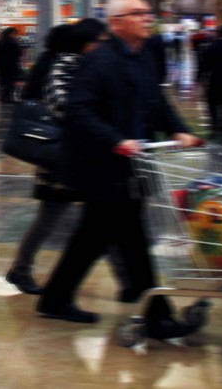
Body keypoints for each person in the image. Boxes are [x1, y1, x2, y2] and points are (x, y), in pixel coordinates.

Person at [36, 0, 200, 341]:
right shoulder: (100, 60)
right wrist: (116, 140)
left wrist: (178, 129)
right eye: (137, 13)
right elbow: (79, 110)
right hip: (102, 166)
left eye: (146, 11)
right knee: (128, 237)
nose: (146, 17)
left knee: (98, 237)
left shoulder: (143, 56)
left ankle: (56, 298)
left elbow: (155, 101)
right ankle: (157, 316)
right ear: (117, 23)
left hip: (129, 165)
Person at [7, 19, 130, 295]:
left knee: (102, 220)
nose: (104, 46)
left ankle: (128, 282)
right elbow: (63, 105)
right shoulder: (65, 64)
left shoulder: (92, 64)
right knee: (51, 220)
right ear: (85, 43)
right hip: (64, 159)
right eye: (99, 41)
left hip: (89, 157)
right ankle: (20, 270)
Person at [0, 27, 23, 103]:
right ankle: (8, 97)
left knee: (3, 82)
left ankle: (3, 97)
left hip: (1, 65)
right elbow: (19, 53)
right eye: (14, 33)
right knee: (10, 82)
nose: (15, 35)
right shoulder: (13, 42)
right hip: (11, 65)